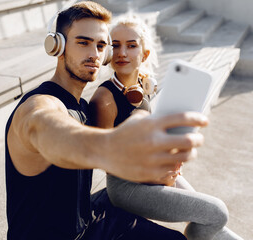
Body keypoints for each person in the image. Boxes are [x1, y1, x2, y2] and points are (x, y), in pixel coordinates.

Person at [5, 2, 209, 239]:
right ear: (57, 46)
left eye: (101, 45)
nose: (94, 53)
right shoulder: (38, 106)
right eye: (83, 42)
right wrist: (109, 145)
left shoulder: (83, 105)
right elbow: (50, 130)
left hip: (86, 219)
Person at [89, 15, 243, 240]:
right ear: (108, 53)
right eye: (115, 45)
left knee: (211, 216)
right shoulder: (104, 99)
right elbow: (104, 161)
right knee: (217, 212)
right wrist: (154, 176)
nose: (122, 52)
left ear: (145, 54)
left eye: (131, 46)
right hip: (126, 187)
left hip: (153, 168)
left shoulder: (142, 85)